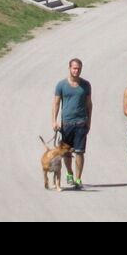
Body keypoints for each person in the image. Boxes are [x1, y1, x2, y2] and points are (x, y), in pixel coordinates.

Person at [52, 57, 92, 190]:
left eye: (79, 69)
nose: (76, 71)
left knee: (80, 152)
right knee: (66, 152)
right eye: (74, 68)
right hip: (66, 124)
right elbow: (56, 103)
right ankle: (69, 173)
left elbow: (89, 104)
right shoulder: (61, 85)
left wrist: (89, 121)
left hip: (81, 122)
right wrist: (54, 121)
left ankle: (78, 179)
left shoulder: (86, 85)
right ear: (69, 68)